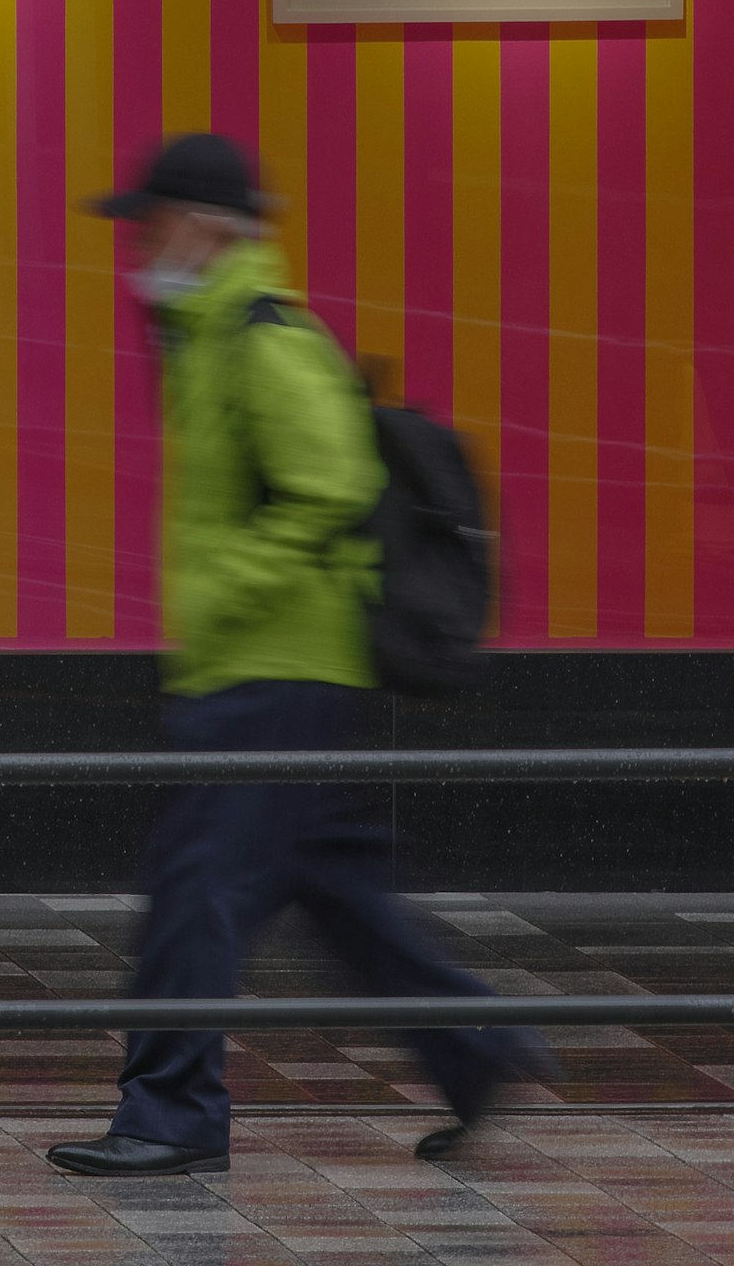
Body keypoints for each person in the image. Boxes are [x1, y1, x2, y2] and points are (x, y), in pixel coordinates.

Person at [48, 131, 551, 1178]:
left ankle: (171, 1115)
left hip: (274, 670)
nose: (139, 241)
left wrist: (229, 590)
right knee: (338, 888)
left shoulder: (263, 336)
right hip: (267, 668)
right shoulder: (209, 333)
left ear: (206, 224)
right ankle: (476, 1050)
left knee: (195, 892)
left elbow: (331, 486)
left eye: (153, 221)